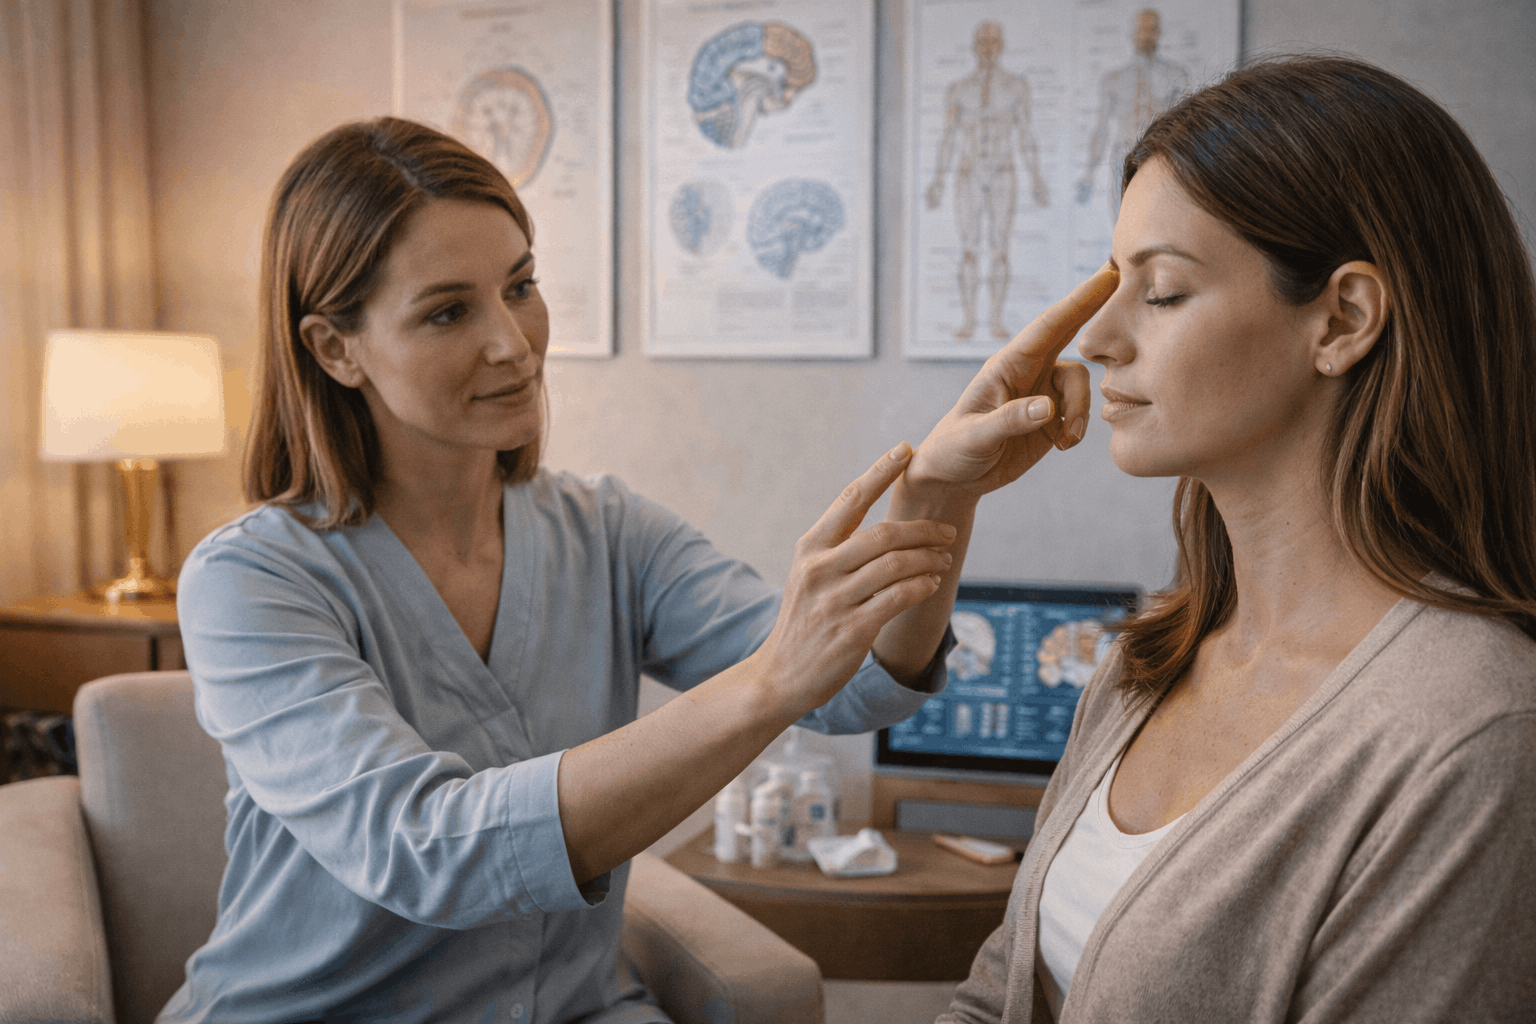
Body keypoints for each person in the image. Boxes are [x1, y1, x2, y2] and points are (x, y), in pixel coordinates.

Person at [158, 117, 1108, 1024]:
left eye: (520, 286)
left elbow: (853, 689)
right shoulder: (252, 583)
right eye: (448, 311)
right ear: (334, 348)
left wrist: (940, 496)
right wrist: (767, 680)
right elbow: (424, 849)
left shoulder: (607, 532)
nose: (512, 341)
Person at [940, 55, 1536, 1024]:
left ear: (1341, 319)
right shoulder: (1147, 662)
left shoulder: (1471, 734)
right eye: (1111, 285)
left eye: (1164, 292)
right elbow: (992, 997)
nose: (1097, 339)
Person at [926, 21, 1050, 341]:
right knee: (969, 249)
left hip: (1002, 172)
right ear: (974, 46)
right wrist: (938, 180)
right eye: (982, 41)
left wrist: (1036, 177)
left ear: (1002, 45)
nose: (988, 48)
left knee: (999, 249)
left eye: (994, 41)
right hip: (967, 172)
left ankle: (995, 320)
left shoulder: (1016, 87)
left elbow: (1026, 135)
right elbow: (948, 139)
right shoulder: (958, 89)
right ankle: (969, 320)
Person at [1074, 8, 1188, 223]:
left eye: (1151, 29)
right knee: (1123, 230)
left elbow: (1188, 129)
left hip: (1162, 159)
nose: (1145, 35)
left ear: (1159, 32)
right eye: (1141, 29)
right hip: (1123, 157)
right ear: (1132, 33)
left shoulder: (1176, 76)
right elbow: (1102, 128)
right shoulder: (1114, 80)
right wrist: (1088, 173)